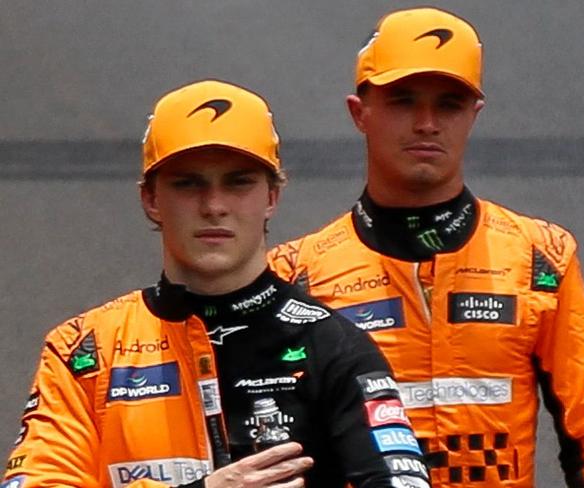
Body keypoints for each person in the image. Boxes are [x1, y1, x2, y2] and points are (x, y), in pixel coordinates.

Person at [269, 7, 584, 487]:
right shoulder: (296, 273)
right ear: (359, 113)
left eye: (448, 104)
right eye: (403, 101)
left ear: (474, 114)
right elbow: (270, 449)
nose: (427, 123)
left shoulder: (540, 256)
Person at [1, 80, 431, 488]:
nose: (213, 206)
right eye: (188, 184)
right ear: (151, 199)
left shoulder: (334, 345)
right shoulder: (85, 351)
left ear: (272, 198)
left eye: (238, 182)